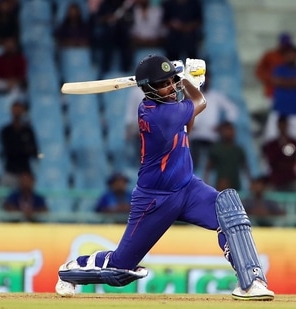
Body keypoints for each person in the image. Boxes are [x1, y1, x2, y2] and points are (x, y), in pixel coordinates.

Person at [55, 55, 274, 301]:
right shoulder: (157, 115)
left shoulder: (170, 109)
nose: (171, 87)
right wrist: (190, 81)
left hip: (188, 187)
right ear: (148, 89)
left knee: (229, 210)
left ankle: (251, 281)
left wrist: (181, 79)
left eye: (171, 81)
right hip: (155, 199)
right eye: (164, 83)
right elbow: (199, 102)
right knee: (120, 269)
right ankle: (71, 271)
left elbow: (186, 127)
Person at [0, 101, 39, 188]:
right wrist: (24, 150)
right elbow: (8, 150)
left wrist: (22, 150)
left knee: (27, 197)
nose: (17, 112)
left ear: (23, 111)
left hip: (25, 172)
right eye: (15, 109)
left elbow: (34, 151)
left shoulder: (28, 131)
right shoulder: (6, 131)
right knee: (5, 198)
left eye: (19, 110)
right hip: (10, 171)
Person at [203, 121, 249, 191]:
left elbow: (245, 168)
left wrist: (250, 183)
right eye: (226, 130)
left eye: (231, 130)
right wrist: (206, 184)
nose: (229, 133)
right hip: (221, 185)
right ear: (221, 132)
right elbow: (208, 168)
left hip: (236, 185)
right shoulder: (216, 149)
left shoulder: (238, 150)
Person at [261, 115, 296, 191]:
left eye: (284, 125)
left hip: (290, 178)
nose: (283, 127)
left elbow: (293, 160)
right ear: (278, 126)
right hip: (276, 179)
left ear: (287, 126)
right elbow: (272, 161)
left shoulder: (292, 142)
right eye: (281, 125)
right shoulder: (272, 145)